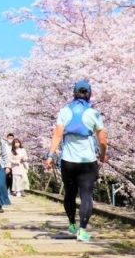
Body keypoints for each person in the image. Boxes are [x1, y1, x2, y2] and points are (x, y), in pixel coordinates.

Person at [45, 80, 108, 242]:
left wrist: (50, 156)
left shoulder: (65, 111)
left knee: (70, 194)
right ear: (89, 94)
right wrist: (102, 155)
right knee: (86, 195)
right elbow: (102, 141)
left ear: (74, 93)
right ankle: (82, 230)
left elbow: (57, 135)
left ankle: (72, 223)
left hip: (68, 161)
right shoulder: (94, 113)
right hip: (88, 162)